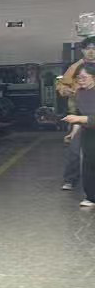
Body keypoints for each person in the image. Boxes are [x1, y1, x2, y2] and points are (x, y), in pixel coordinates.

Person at [60, 67, 95, 206]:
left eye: (84, 77)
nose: (80, 81)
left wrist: (80, 119)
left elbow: (81, 118)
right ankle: (91, 197)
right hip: (89, 133)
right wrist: (73, 133)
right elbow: (79, 115)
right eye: (78, 78)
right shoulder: (80, 93)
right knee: (88, 164)